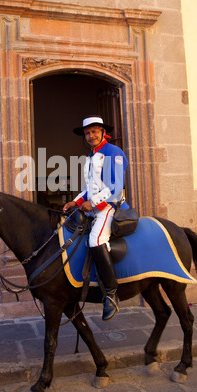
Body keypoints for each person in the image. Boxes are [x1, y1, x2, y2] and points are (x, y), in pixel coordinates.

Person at [63, 116, 129, 321]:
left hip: (110, 207)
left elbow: (116, 187)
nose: (91, 136)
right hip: (92, 208)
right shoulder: (90, 156)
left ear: (102, 132)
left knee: (95, 240)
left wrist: (93, 203)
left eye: (94, 132)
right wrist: (75, 201)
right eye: (87, 133)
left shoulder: (114, 153)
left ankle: (111, 293)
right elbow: (88, 188)